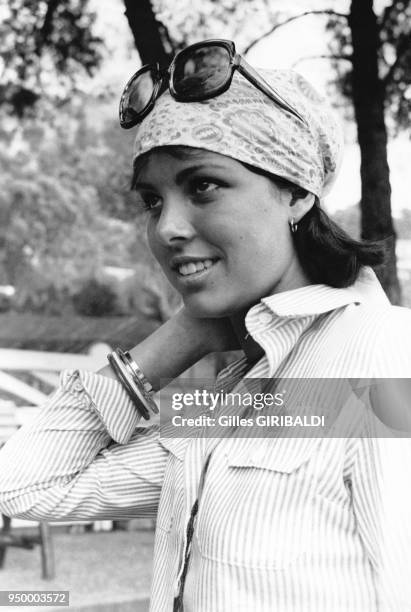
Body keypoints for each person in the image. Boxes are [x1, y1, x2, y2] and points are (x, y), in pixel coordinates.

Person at [1, 39, 411, 612]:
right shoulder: (228, 398)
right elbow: (23, 485)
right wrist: (179, 337)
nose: (167, 227)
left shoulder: (383, 353)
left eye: (202, 186)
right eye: (151, 200)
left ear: (294, 192)